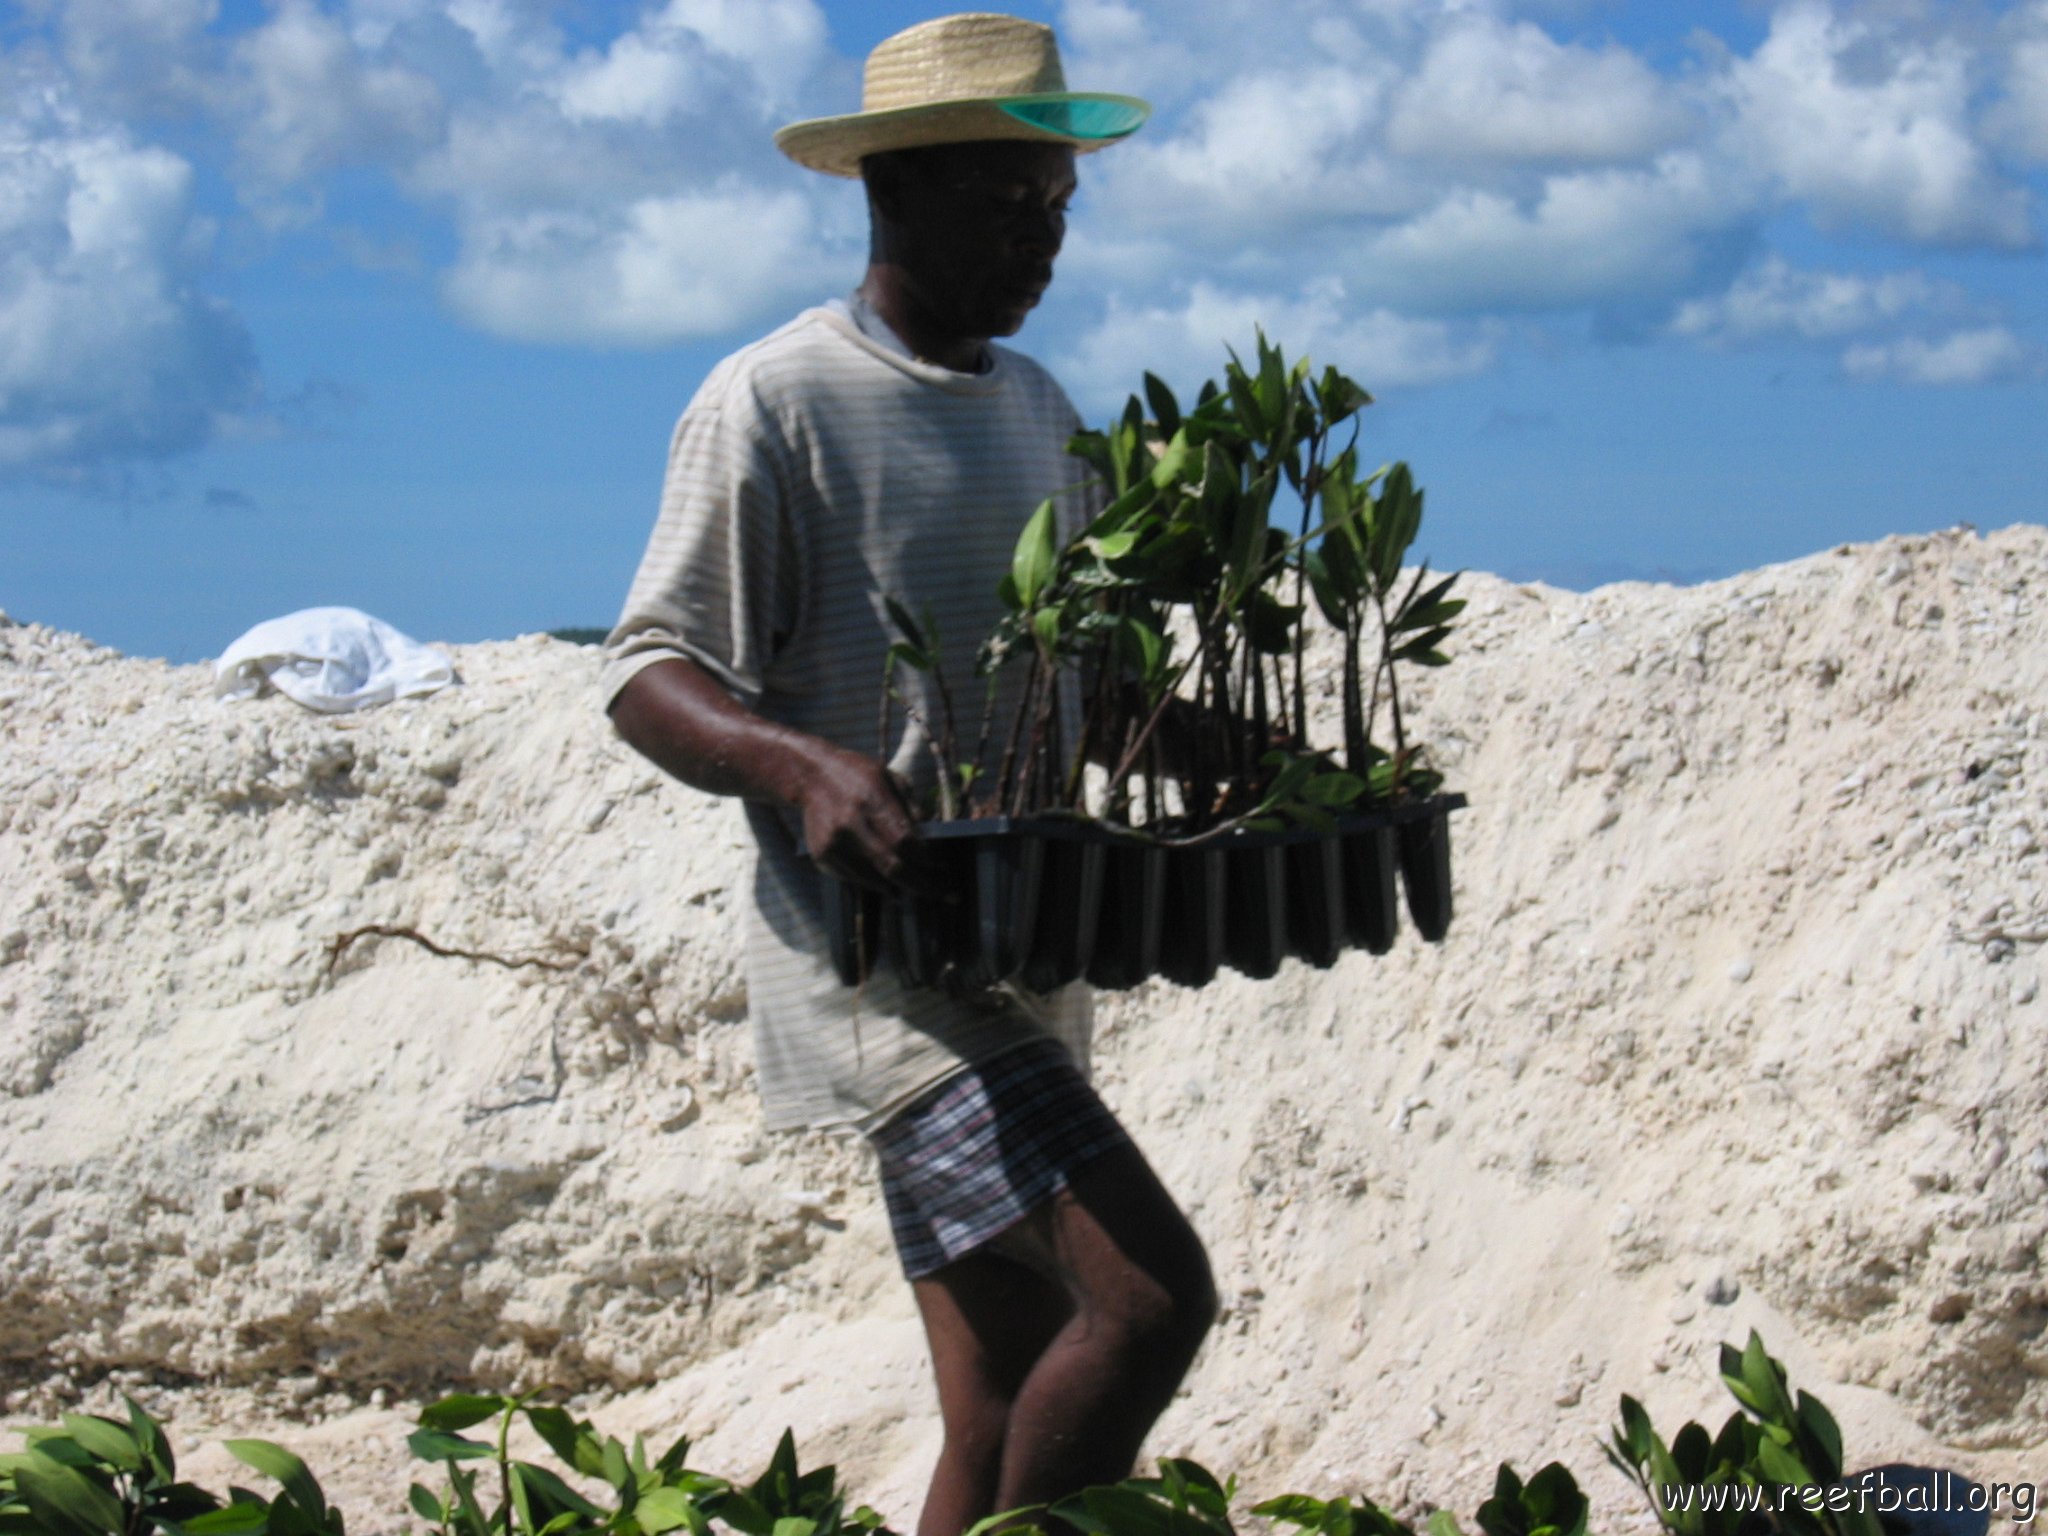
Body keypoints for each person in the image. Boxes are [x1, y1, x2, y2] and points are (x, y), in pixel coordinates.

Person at [601, 16, 1216, 1536]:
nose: (1045, 241)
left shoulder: (1041, 410)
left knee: (1000, 1401)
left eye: (1059, 208)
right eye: (1012, 205)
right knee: (1150, 1302)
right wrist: (792, 761)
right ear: (898, 190)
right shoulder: (775, 402)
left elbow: (1083, 680)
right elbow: (644, 672)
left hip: (1018, 958)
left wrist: (1217, 744)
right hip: (883, 974)